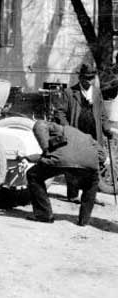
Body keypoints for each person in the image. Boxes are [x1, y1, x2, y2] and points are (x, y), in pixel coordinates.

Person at [52, 62, 113, 201]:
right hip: (76, 132)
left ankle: (90, 195)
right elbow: (60, 113)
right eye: (85, 78)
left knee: (93, 164)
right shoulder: (69, 92)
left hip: (93, 134)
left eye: (91, 78)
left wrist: (107, 129)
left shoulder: (96, 93)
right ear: (80, 78)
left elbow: (102, 114)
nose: (88, 81)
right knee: (74, 163)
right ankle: (73, 195)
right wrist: (67, 129)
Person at [24, 120, 100, 226]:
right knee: (91, 184)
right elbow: (101, 154)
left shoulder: (53, 127)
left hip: (62, 160)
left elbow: (40, 126)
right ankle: (84, 221)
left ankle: (44, 215)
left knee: (33, 175)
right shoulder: (84, 136)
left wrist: (45, 150)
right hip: (89, 163)